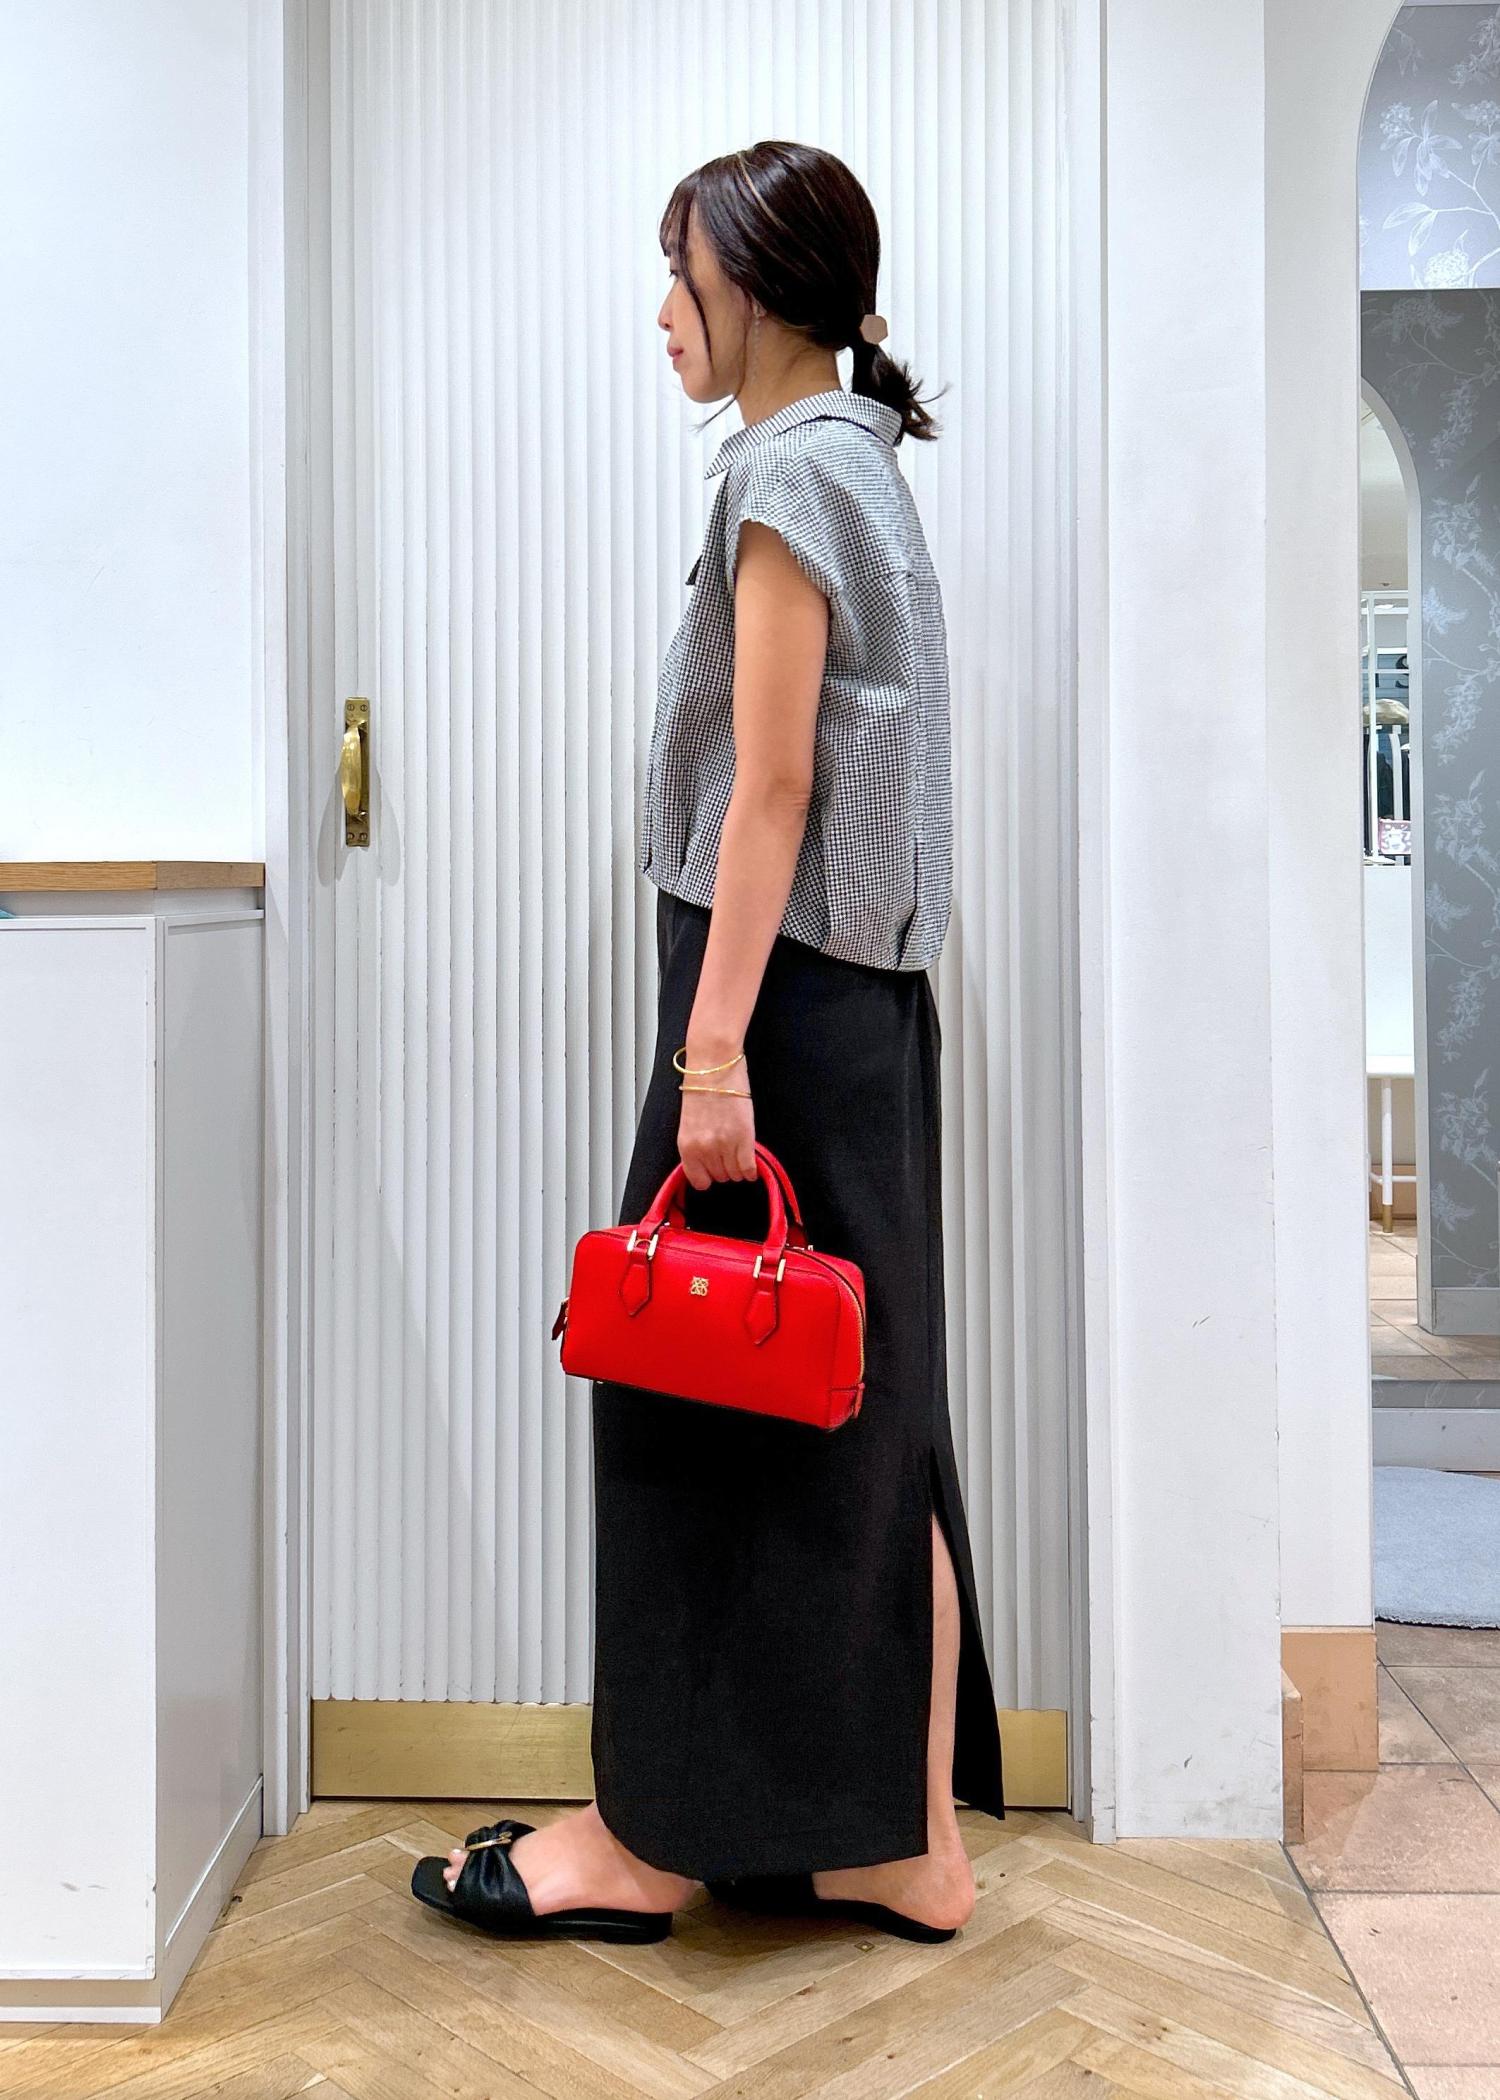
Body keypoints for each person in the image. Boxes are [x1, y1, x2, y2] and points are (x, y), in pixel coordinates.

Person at [410, 138, 1006, 1948]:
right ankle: (906, 1842)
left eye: (682, 273)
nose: (663, 309)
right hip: (855, 1008)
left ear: (756, 283)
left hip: (780, 1007)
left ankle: (643, 1841)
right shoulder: (858, 460)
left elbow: (772, 785)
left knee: (682, 1411)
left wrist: (715, 1052)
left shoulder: (787, 473)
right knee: (866, 1419)